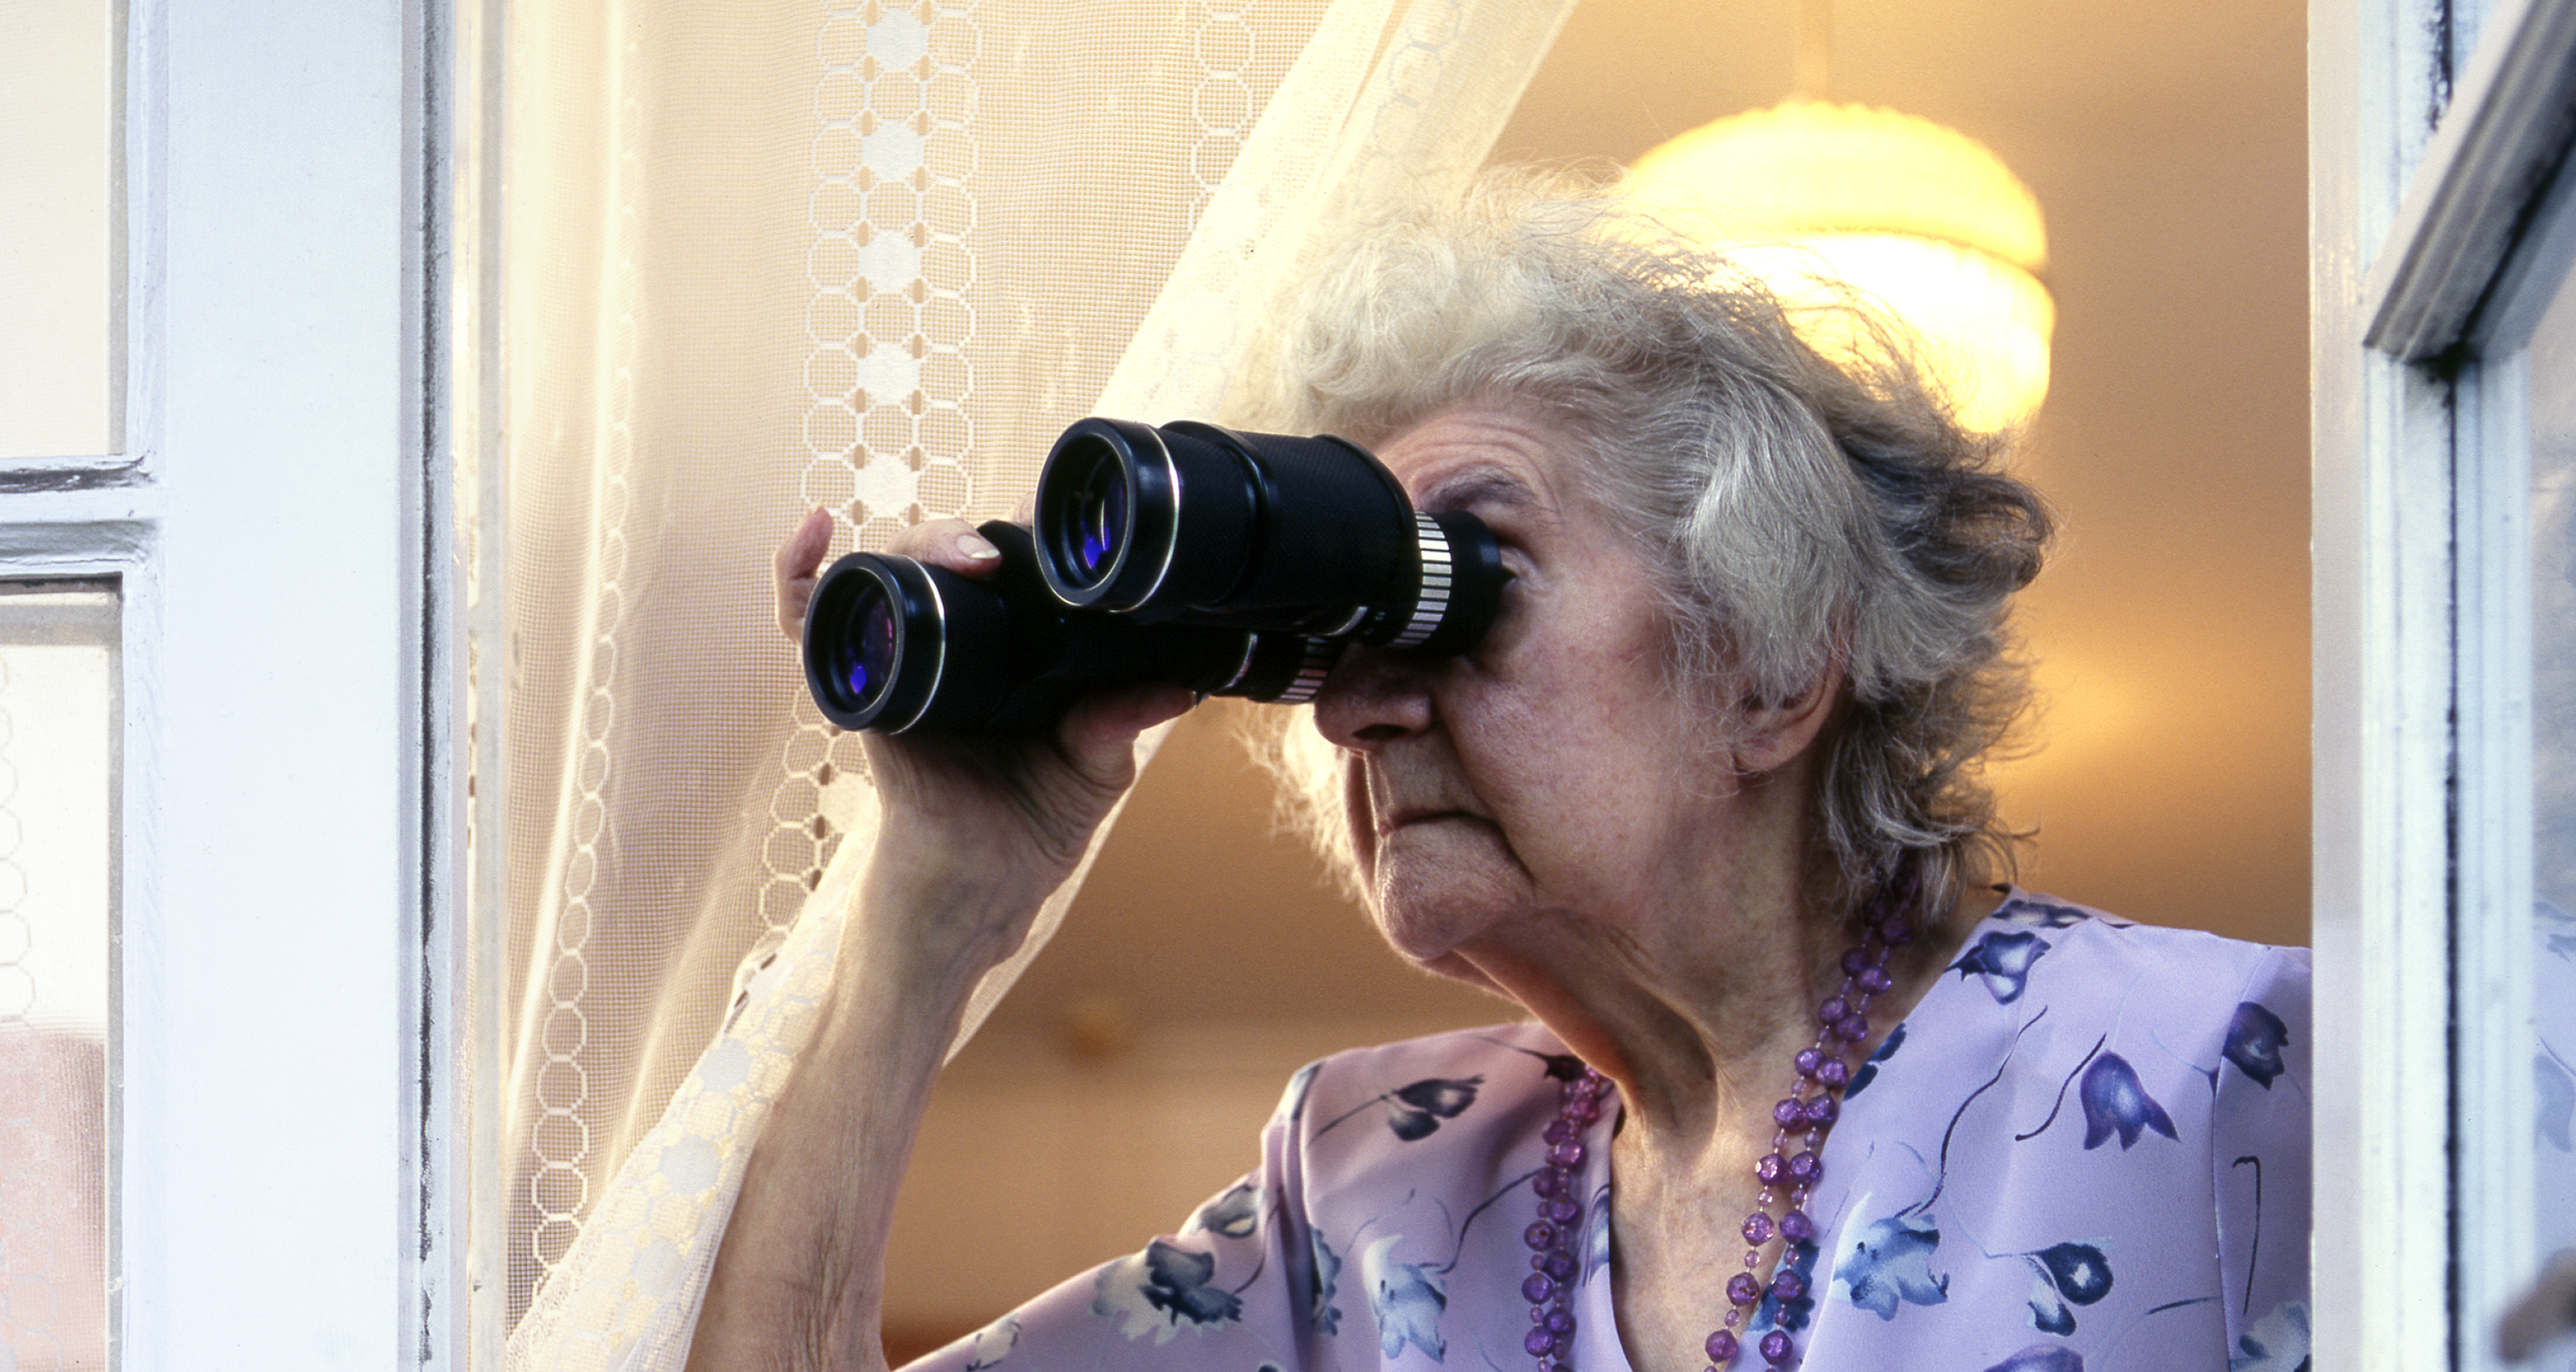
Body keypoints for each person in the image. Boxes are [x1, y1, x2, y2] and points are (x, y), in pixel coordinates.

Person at [690, 179, 2310, 1372]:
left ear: (1770, 663)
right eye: (1336, 633)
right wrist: (934, 906)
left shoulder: (2234, 1073)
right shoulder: (1370, 1185)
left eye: (1462, 581)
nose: (1354, 711)